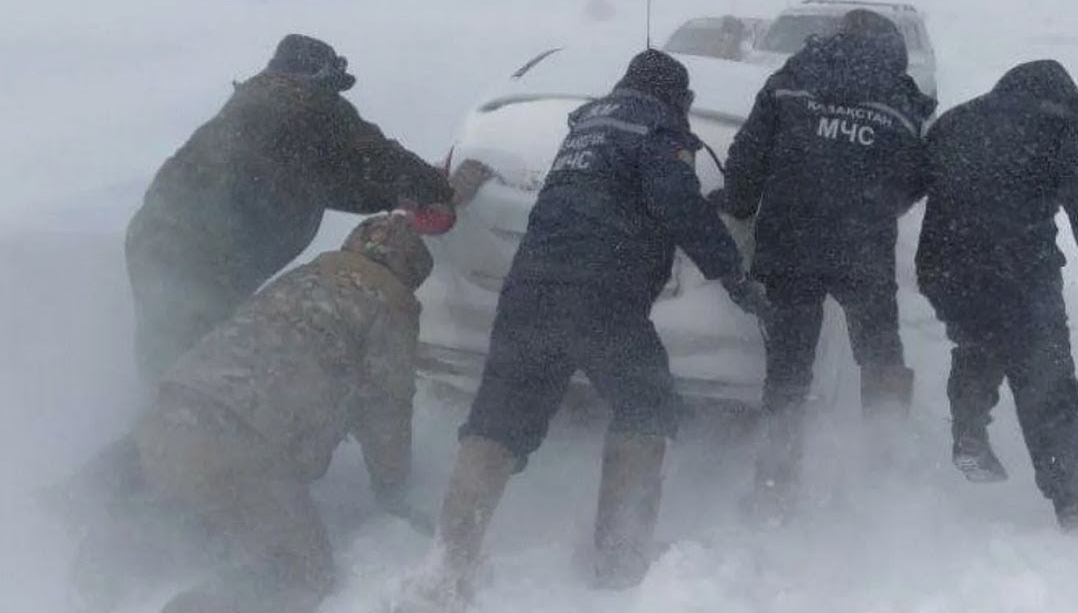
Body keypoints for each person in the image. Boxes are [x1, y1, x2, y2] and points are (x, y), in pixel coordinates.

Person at [399, 50, 769, 611]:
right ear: (678, 98)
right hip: (604, 296)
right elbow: (679, 206)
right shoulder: (656, 129)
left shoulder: (584, 131)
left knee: (497, 421)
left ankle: (448, 564)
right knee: (648, 407)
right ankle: (619, 559)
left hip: (529, 289)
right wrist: (735, 277)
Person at [112, 213, 435, 613]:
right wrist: (393, 489)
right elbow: (387, 409)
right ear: (411, 272)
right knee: (303, 570)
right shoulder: (389, 305)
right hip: (237, 443)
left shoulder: (303, 276)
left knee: (205, 512)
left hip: (167, 414)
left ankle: (107, 565)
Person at [126, 34, 453, 384]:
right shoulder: (310, 105)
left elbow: (326, 184)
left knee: (168, 357)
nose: (337, 97)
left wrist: (398, 198)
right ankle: (180, 431)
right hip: (201, 255)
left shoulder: (261, 112)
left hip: (151, 237)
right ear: (319, 79)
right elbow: (380, 158)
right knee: (204, 370)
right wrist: (435, 187)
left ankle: (149, 423)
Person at [711, 10, 937, 515]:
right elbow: (912, 179)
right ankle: (886, 467)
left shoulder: (791, 80)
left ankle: (775, 484)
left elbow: (748, 156)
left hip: (790, 244)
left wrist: (739, 203)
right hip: (863, 250)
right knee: (880, 356)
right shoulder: (901, 99)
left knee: (789, 370)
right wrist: (875, 205)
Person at [915, 60, 1078, 530]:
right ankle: (1074, 502)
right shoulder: (1061, 133)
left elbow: (903, 187)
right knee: (1048, 386)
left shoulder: (957, 120)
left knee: (979, 341)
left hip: (946, 269)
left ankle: (969, 427)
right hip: (1021, 274)